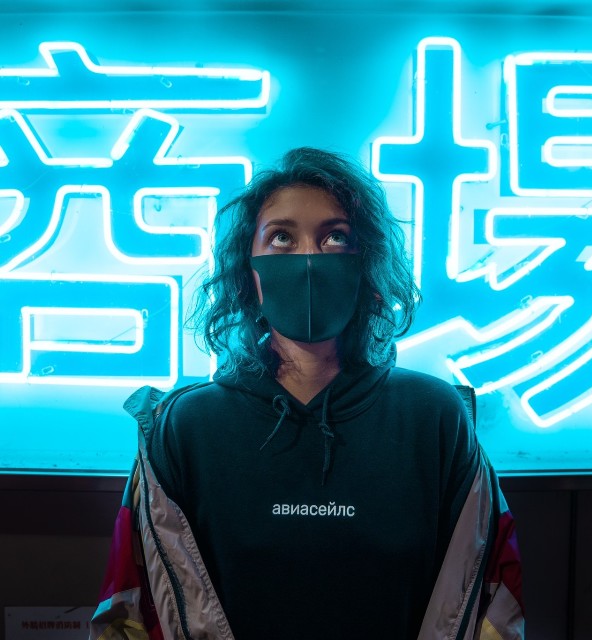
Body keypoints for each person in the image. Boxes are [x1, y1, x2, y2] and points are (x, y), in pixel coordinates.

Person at [89, 147, 524, 640]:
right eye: (281, 238)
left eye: (336, 237)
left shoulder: (434, 418)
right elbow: (132, 609)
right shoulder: (186, 427)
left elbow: (492, 603)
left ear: (367, 264)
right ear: (247, 271)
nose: (309, 261)